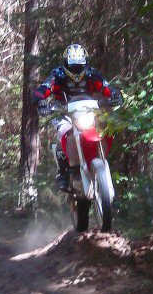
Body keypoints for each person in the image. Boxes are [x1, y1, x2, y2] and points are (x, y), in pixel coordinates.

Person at [31, 43, 122, 191]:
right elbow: (43, 89)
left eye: (79, 66)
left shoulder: (92, 74)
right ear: (66, 63)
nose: (76, 70)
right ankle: (63, 173)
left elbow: (106, 87)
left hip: (90, 111)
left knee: (106, 127)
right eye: (73, 66)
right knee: (62, 131)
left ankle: (102, 160)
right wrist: (40, 101)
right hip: (63, 112)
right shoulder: (57, 75)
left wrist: (114, 95)